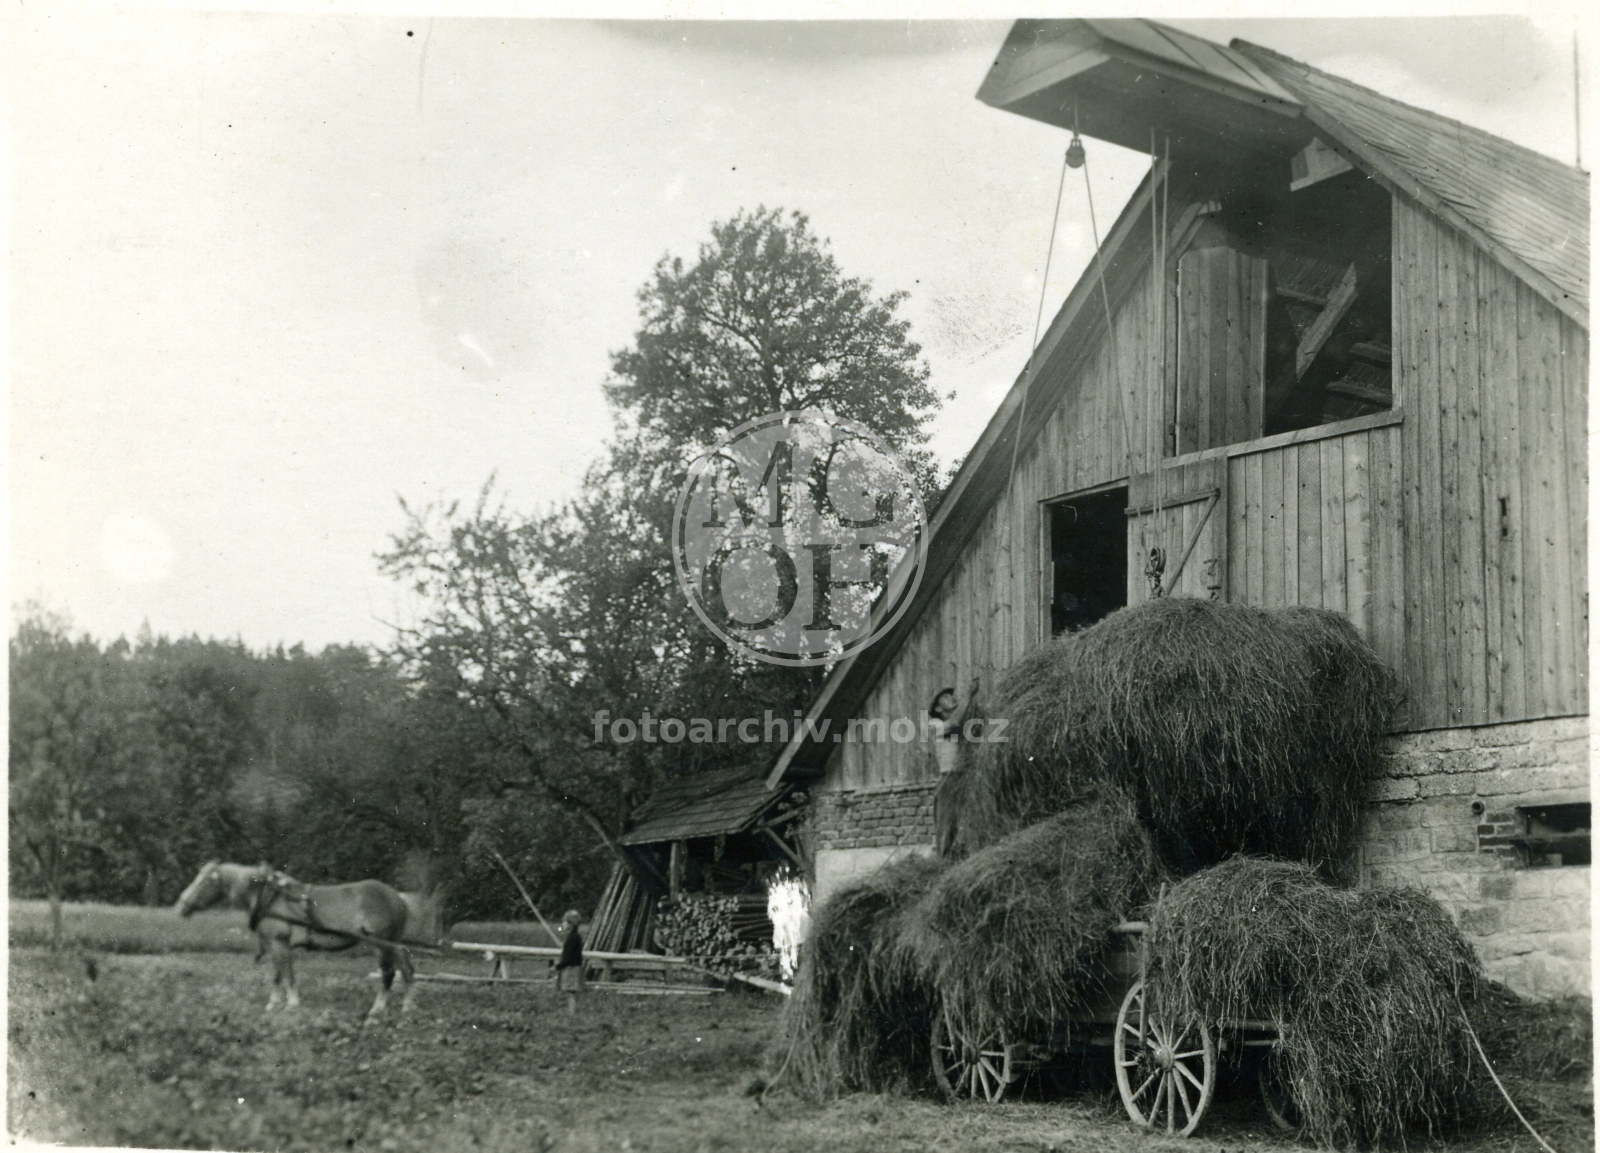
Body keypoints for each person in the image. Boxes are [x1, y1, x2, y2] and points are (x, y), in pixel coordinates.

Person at [554, 909, 586, 1013]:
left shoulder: (572, 938)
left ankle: (571, 1012)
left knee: (570, 992)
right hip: (575, 967)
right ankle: (570, 1010)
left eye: (564, 922)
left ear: (570, 924)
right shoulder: (575, 937)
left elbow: (568, 957)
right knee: (570, 991)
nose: (562, 924)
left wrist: (558, 966)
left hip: (571, 968)